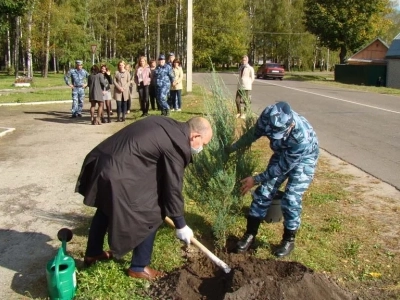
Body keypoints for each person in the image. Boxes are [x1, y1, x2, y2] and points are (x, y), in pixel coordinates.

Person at [76, 116, 213, 280]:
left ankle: (93, 253)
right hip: (119, 173)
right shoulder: (178, 144)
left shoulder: (170, 125)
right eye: (204, 144)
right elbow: (173, 188)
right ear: (195, 136)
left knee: (107, 207)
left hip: (105, 162)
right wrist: (181, 224)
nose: (201, 149)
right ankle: (139, 267)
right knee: (153, 212)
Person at [228, 101, 319, 257]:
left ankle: (288, 240)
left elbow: (281, 169)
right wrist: (234, 147)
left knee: (291, 198)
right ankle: (250, 235)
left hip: (304, 158)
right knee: (263, 193)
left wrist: (256, 179)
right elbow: (254, 133)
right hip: (281, 154)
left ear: (289, 126)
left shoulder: (301, 137)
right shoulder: (269, 115)